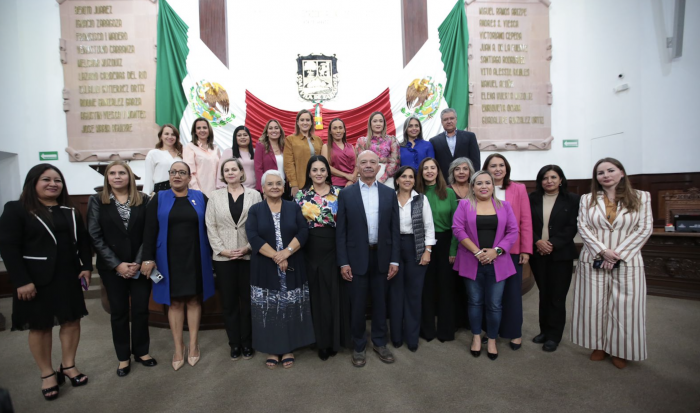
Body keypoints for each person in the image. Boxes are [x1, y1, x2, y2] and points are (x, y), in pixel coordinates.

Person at [0, 164, 92, 400]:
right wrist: (21, 281)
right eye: (46, 179)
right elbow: (9, 248)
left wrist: (85, 267)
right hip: (35, 279)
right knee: (40, 326)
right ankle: (47, 373)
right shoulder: (17, 209)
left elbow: (82, 241)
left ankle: (68, 365)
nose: (53, 184)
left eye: (57, 180)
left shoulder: (69, 209)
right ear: (33, 182)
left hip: (68, 275)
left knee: (71, 321)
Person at [572, 158, 652, 369]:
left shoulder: (642, 197)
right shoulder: (587, 199)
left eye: (610, 170)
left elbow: (644, 229)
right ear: (596, 178)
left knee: (625, 307)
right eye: (600, 172)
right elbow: (583, 226)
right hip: (594, 259)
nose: (605, 175)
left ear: (622, 173)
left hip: (627, 260)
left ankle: (620, 350)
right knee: (593, 304)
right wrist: (602, 251)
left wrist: (617, 254)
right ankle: (598, 345)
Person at [141, 161, 215, 371]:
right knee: (173, 302)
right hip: (167, 258)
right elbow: (149, 230)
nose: (177, 176)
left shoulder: (200, 197)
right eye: (173, 172)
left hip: (196, 256)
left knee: (193, 299)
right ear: (169, 175)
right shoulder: (159, 198)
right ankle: (177, 347)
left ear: (189, 177)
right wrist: (147, 257)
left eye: (182, 173)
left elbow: (212, 224)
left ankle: (193, 344)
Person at [87, 161, 156, 377]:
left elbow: (149, 233)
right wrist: (117, 264)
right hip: (112, 267)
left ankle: (142, 352)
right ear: (107, 177)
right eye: (113, 173)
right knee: (118, 312)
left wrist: (138, 262)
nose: (117, 177)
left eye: (122, 173)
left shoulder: (143, 200)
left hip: (139, 265)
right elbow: (95, 235)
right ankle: (123, 357)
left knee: (141, 310)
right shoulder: (97, 201)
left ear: (130, 176)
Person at [336, 150, 400, 367]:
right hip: (355, 259)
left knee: (381, 303)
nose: (369, 165)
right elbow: (341, 232)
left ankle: (380, 342)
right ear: (357, 165)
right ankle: (359, 345)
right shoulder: (346, 194)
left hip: (382, 257)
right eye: (364, 162)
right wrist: (343, 261)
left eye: (373, 162)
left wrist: (394, 260)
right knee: (358, 305)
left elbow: (394, 230)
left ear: (379, 166)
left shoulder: (389, 193)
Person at [246, 170, 314, 369]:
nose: (275, 187)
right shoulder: (255, 210)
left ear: (284, 186)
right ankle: (272, 349)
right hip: (265, 266)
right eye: (270, 184)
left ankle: (288, 347)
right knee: (269, 308)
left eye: (278, 183)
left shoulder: (293, 207)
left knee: (289, 306)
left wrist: (287, 252)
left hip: (292, 263)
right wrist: (277, 256)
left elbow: (303, 231)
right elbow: (253, 236)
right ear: (263, 188)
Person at [452, 171, 519, 360]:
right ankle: (475, 337)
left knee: (495, 305)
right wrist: (478, 252)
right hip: (471, 261)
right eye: (479, 183)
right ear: (472, 187)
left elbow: (513, 231)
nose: (483, 186)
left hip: (498, 262)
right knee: (474, 301)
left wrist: (495, 251)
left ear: (493, 185)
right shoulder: (464, 205)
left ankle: (491, 339)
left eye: (487, 183)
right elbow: (458, 229)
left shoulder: (504, 206)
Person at [206, 158, 262, 361]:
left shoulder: (254, 195)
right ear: (223, 174)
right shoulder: (214, 196)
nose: (230, 172)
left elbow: (259, 224)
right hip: (224, 259)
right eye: (226, 170)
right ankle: (234, 343)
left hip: (248, 255)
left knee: (248, 302)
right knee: (229, 303)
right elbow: (210, 226)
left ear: (241, 172)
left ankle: (247, 342)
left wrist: (248, 247)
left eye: (234, 169)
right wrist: (222, 250)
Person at [295, 155, 346, 360]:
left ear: (328, 172)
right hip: (309, 249)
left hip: (334, 247)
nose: (319, 174)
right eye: (314, 170)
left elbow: (345, 224)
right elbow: (295, 226)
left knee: (333, 294)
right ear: (309, 172)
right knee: (315, 296)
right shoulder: (301, 195)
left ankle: (334, 339)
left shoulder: (340, 194)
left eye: (322, 170)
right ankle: (320, 342)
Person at [483, 153, 533, 350]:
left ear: (506, 168)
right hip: (487, 250)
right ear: (486, 169)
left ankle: (514, 332)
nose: (497, 169)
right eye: (492, 165)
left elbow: (525, 220)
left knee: (512, 293)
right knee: (490, 295)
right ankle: (490, 331)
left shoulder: (518, 189)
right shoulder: (481, 187)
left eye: (501, 165)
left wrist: (526, 249)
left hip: (511, 250)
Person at [529, 165, 580, 352]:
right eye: (544, 178)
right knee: (544, 294)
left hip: (561, 254)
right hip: (538, 253)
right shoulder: (532, 198)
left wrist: (551, 244)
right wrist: (538, 242)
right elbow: (526, 223)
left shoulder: (573, 199)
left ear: (561, 180)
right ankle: (544, 331)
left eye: (553, 177)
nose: (548, 181)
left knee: (557, 296)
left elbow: (571, 227)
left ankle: (554, 336)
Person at [388, 166, 435, 352]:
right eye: (404, 176)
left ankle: (412, 338)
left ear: (414, 181)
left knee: (414, 295)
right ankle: (397, 336)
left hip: (416, 247)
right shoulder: (389, 198)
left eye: (411, 177)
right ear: (397, 180)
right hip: (394, 249)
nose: (407, 179)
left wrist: (427, 250)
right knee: (395, 294)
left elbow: (429, 226)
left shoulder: (421, 199)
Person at [415, 157, 459, 343]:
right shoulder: (416, 193)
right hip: (422, 243)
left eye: (433, 168)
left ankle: (446, 331)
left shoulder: (449, 193)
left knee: (445, 288)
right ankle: (427, 330)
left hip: (445, 242)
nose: (429, 171)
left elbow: (457, 224)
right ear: (421, 172)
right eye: (426, 168)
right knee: (426, 287)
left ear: (438, 171)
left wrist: (453, 250)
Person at [429, 108, 480, 180]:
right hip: (444, 182)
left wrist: (475, 179)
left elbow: (476, 160)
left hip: (466, 181)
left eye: (451, 118)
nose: (449, 121)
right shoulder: (434, 141)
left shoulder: (469, 137)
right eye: (446, 119)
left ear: (456, 120)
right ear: (441, 122)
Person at [284, 109, 323, 196]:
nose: (305, 123)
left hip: (318, 183)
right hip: (300, 184)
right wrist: (293, 184)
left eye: (307, 120)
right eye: (302, 120)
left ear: (312, 122)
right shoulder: (290, 139)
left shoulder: (318, 140)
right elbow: (288, 164)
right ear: (297, 122)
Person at [356, 111, 400, 187]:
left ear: (384, 124)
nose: (378, 124)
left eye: (380, 121)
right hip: (367, 177)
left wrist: (382, 179)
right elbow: (361, 162)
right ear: (370, 123)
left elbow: (395, 162)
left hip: (387, 178)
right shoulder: (362, 141)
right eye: (375, 121)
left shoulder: (392, 140)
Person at [183, 117, 222, 197]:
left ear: (209, 130)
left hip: (217, 193)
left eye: (204, 127)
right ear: (195, 132)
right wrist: (197, 192)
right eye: (198, 128)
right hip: (199, 193)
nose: (202, 130)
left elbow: (220, 171)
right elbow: (189, 173)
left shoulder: (215, 148)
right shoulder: (190, 147)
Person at [142, 124, 183, 195]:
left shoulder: (181, 155)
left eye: (173, 134)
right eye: (166, 134)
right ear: (161, 136)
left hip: (180, 191)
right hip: (161, 191)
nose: (170, 137)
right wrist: (147, 195)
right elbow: (149, 177)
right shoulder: (153, 153)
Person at [217, 125, 256, 190]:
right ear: (235, 138)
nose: (242, 137)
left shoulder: (256, 152)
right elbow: (221, 172)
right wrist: (221, 188)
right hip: (234, 190)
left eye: (245, 135)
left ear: (249, 137)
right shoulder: (228, 152)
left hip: (254, 190)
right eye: (239, 135)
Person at [321, 118, 357, 187]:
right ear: (330, 131)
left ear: (344, 130)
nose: (338, 131)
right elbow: (326, 166)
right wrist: (346, 175)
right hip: (335, 184)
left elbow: (356, 166)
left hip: (352, 184)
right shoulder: (326, 147)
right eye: (335, 128)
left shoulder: (351, 147)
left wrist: (351, 180)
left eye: (340, 128)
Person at [254, 119, 286, 193]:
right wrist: (264, 189)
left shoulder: (285, 146)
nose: (273, 130)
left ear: (280, 131)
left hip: (283, 187)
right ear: (267, 132)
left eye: (276, 128)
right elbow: (258, 169)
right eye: (270, 128)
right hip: (269, 188)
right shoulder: (260, 146)